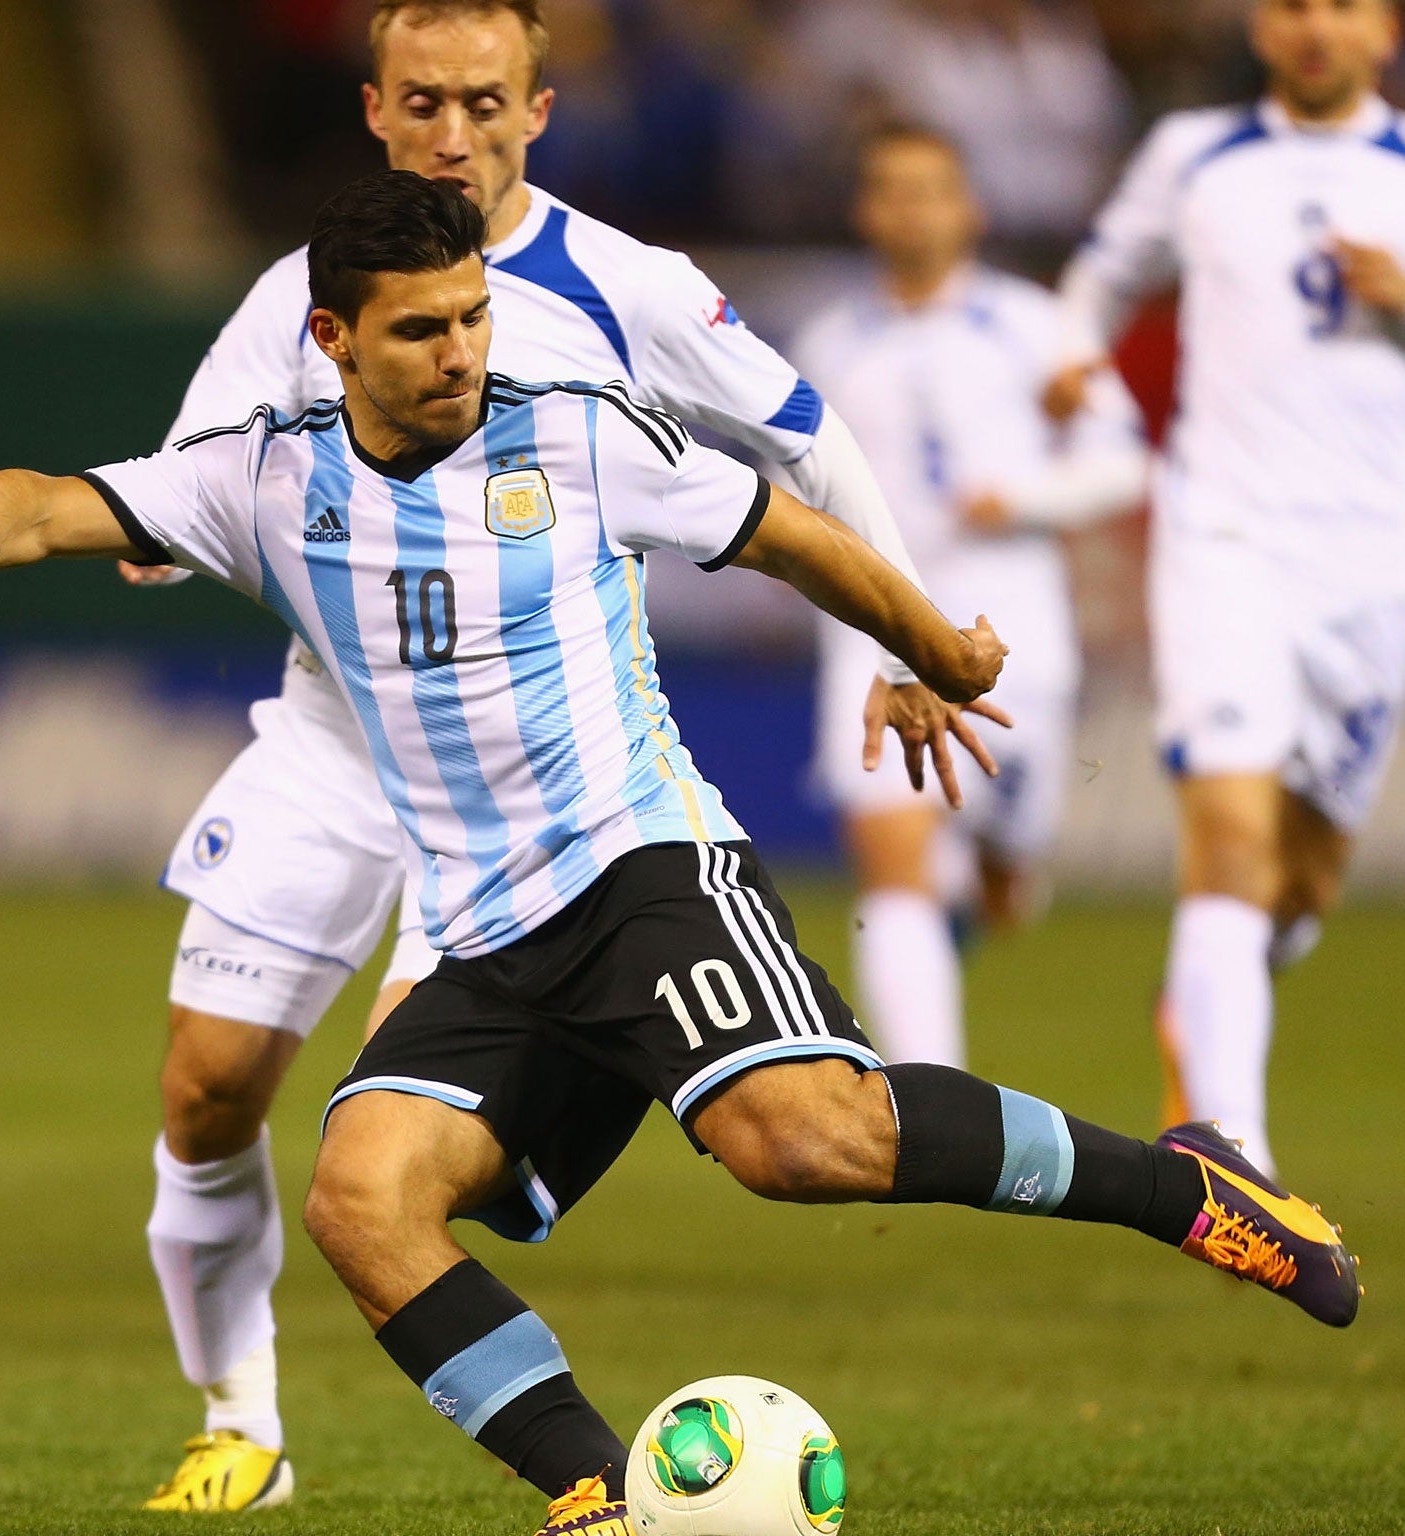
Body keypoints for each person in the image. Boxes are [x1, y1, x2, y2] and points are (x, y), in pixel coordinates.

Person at [0, 169, 1362, 1536]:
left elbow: (786, 530)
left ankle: (1185, 1184)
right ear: (332, 338)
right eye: (420, 330)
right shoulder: (264, 480)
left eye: (472, 316)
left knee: (806, 1144)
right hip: (485, 930)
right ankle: (593, 1487)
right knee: (364, 1200)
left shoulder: (570, 433)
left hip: (644, 864)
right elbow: (31, 505)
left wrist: (930, 646)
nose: (457, 353)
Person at [116, 1, 1002, 1507]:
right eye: (420, 104)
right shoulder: (303, 293)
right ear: (376, 109)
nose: (449, 133)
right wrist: (164, 536)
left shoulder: (625, 285)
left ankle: (573, 1458)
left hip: (529, 771)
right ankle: (241, 1423)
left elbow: (808, 443)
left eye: (480, 102)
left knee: (400, 1155)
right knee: (206, 1090)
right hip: (344, 730)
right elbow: (186, 474)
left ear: (537, 110)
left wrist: (904, 639)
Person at [1046, 0, 1405, 1172]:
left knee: (1299, 885)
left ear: (1385, 33)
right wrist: (1081, 391)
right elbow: (1092, 287)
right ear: (1259, 26)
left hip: (1376, 564)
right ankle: (1231, 1155)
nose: (1314, 30)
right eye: (1292, 5)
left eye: (1341, 9)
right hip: (1223, 540)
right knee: (1231, 846)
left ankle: (1212, 981)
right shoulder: (1192, 156)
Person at [790, 125, 1149, 1068]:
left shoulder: (1038, 329)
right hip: (870, 633)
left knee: (1001, 875)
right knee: (892, 853)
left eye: (931, 190)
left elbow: (1124, 464)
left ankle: (993, 876)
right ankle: (931, 1098)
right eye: (891, 190)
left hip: (1012, 627)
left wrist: (1023, 499)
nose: (911, 209)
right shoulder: (826, 344)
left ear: (971, 209)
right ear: (866, 210)